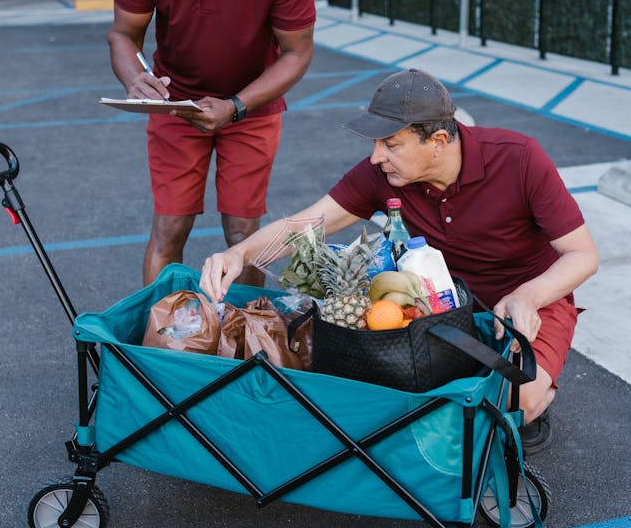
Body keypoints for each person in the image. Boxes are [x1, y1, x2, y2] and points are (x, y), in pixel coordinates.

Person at [200, 69, 598, 449]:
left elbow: (582, 255)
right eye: (375, 145)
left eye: (390, 144)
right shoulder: (386, 174)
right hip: (438, 301)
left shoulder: (519, 158)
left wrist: (529, 296)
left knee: (516, 401)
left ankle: (535, 401)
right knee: (391, 392)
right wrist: (238, 253)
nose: (376, 158)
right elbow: (306, 222)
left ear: (439, 140)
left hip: (529, 300)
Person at [107, 0, 316, 286]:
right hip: (175, 103)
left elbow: (297, 52)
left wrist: (236, 105)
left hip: (251, 106)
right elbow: (124, 35)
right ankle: (156, 339)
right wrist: (134, 78)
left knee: (242, 232)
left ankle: (243, 340)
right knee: (169, 227)